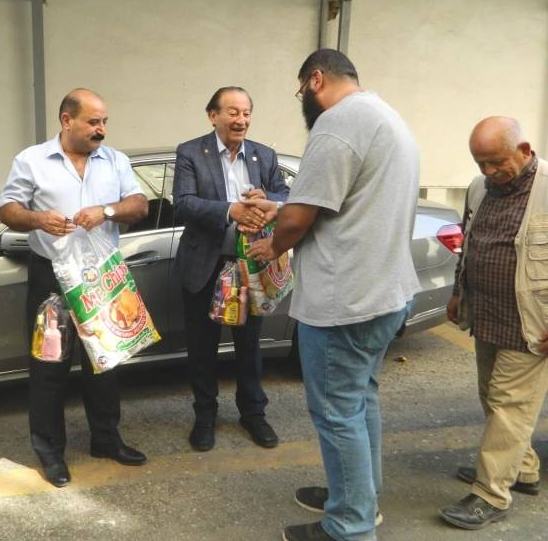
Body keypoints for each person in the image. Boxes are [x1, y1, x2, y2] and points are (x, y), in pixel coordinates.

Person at [246, 50, 420, 541]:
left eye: (302, 90)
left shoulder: (336, 123)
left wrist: (272, 245)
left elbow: (302, 219)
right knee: (359, 400)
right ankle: (361, 497)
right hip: (386, 292)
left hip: (346, 301)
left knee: (337, 413)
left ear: (316, 79)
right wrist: (279, 206)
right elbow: (338, 202)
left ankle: (350, 525)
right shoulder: (386, 117)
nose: (303, 99)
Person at [0, 88, 149, 488]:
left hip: (102, 277)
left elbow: (139, 205)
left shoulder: (114, 160)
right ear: (67, 120)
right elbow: (8, 209)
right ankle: (50, 450)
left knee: (105, 362)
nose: (101, 130)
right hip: (51, 277)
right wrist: (37, 219)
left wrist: (107, 211)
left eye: (104, 122)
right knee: (49, 365)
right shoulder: (31, 160)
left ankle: (106, 439)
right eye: (93, 122)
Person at [439, 117, 548, 530]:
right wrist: (457, 292)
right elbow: (468, 243)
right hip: (486, 313)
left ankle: (491, 494)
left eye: (496, 161)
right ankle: (521, 468)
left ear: (525, 150)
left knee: (509, 405)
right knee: (492, 396)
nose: (488, 171)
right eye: (480, 162)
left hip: (533, 322)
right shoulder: (478, 187)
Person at [172, 86, 290, 453]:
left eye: (246, 113)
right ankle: (205, 416)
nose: (241, 120)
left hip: (250, 264)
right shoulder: (191, 152)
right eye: (233, 112)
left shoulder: (263, 155)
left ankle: (253, 413)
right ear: (213, 116)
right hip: (205, 266)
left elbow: (287, 196)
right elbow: (183, 204)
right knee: (202, 348)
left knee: (249, 346)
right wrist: (230, 210)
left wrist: (269, 200)